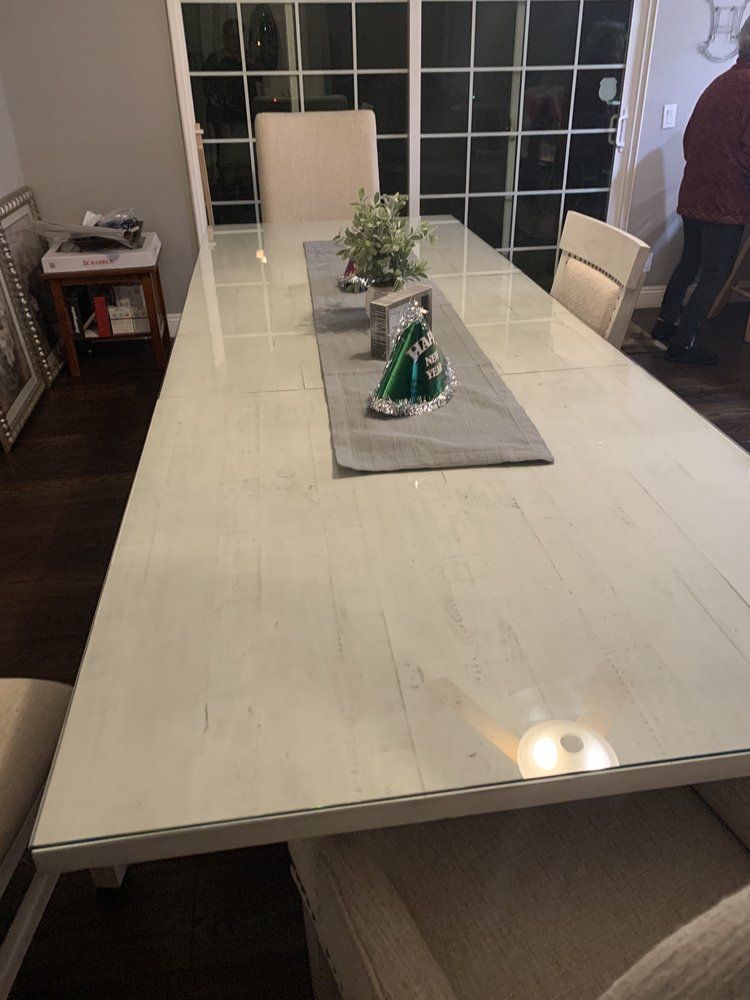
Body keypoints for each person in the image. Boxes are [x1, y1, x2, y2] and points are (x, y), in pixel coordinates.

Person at [653, 20, 750, 365]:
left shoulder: (720, 83)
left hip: (695, 190)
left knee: (689, 261)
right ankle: (684, 342)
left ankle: (666, 324)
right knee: (715, 273)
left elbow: (690, 139)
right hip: (727, 200)